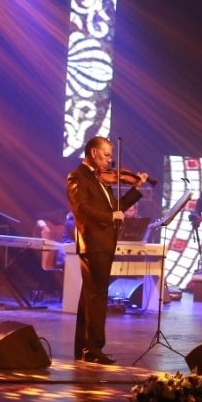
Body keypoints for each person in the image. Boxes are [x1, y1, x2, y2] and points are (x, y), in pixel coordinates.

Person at [67, 136, 147, 365]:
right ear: (93, 152)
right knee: (97, 296)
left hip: (103, 243)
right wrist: (110, 216)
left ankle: (83, 347)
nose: (109, 161)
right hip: (93, 243)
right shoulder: (77, 177)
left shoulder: (99, 179)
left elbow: (115, 208)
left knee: (90, 297)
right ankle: (94, 349)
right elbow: (82, 209)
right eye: (106, 155)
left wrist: (135, 189)